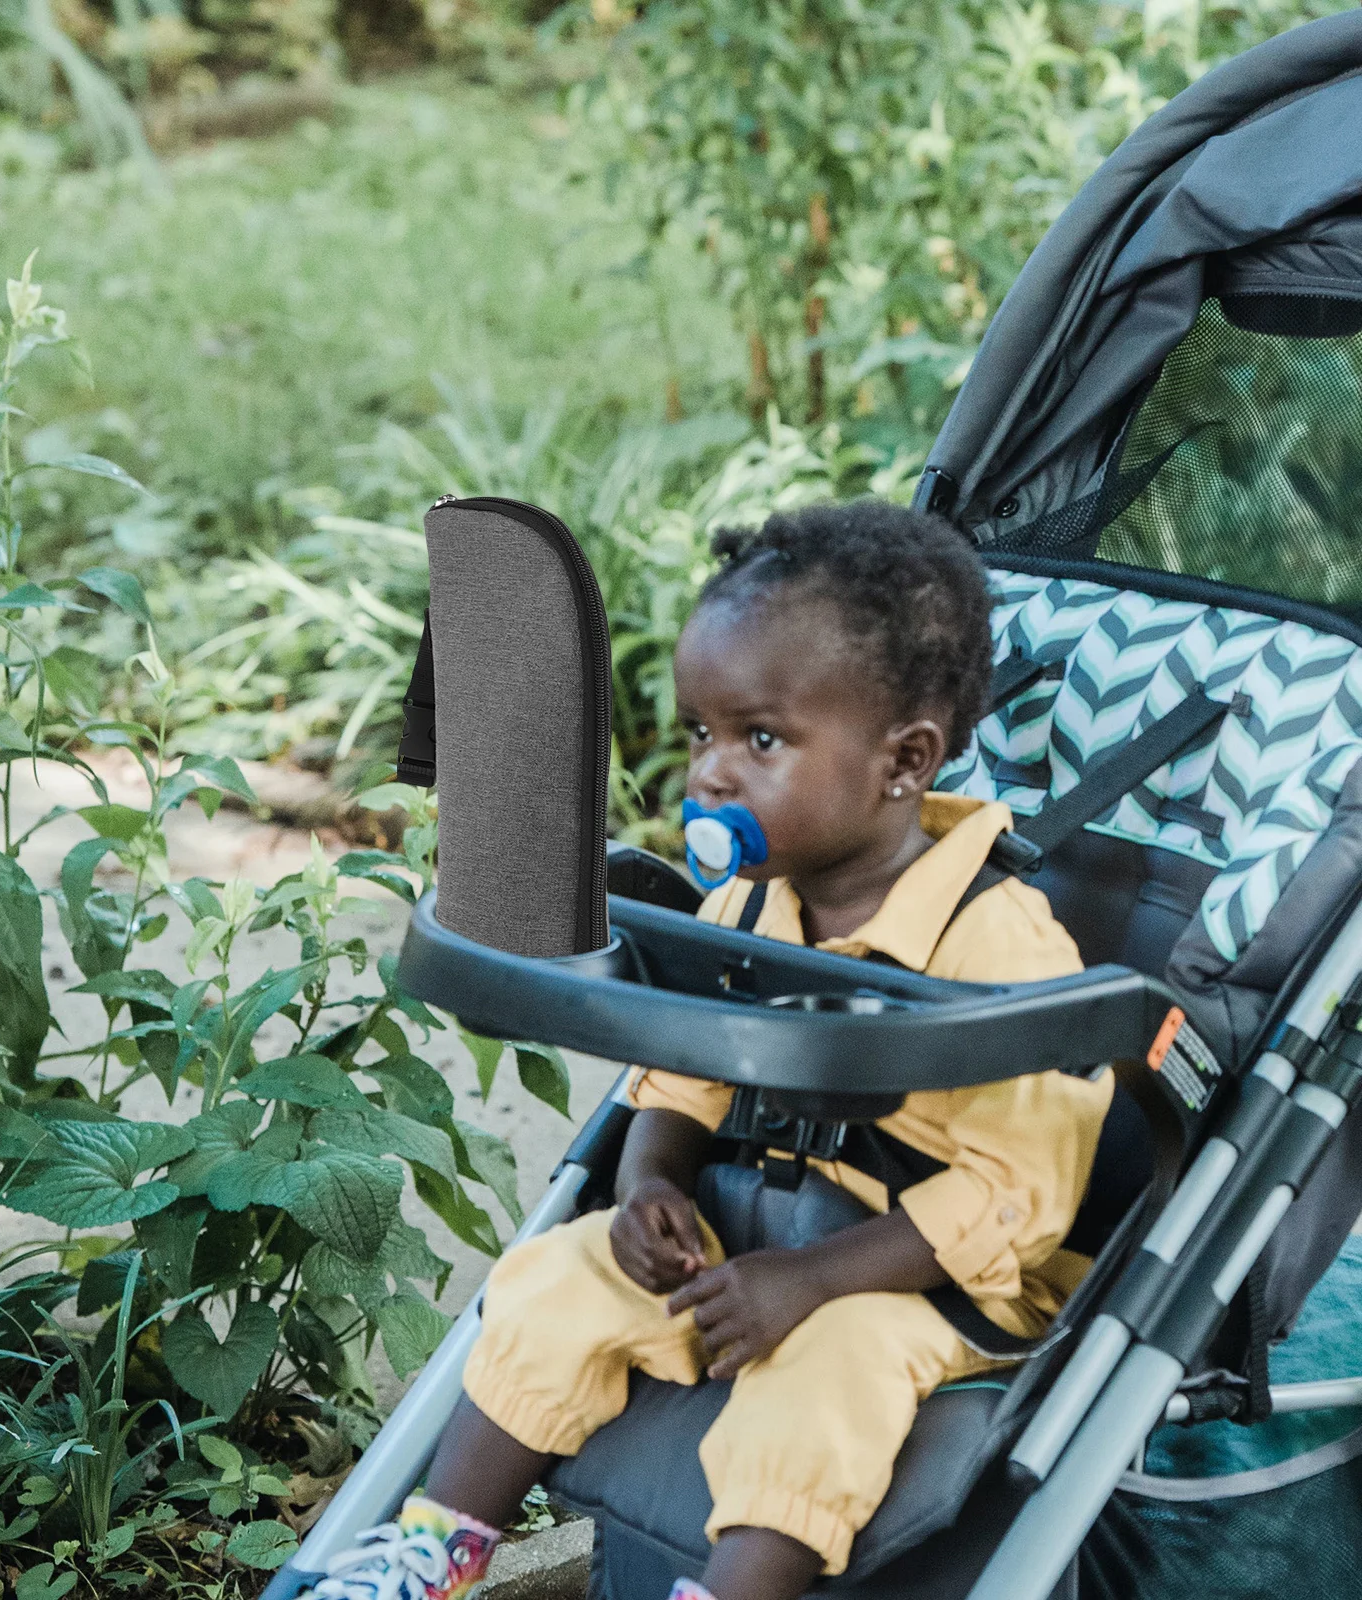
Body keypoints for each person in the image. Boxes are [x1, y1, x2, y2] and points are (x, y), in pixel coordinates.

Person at [311, 501, 1109, 1600]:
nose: (711, 775)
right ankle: (433, 1548)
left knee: (828, 1369)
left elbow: (1015, 1199)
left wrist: (811, 1277)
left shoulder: (999, 944)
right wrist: (649, 1181)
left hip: (924, 1280)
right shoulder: (745, 899)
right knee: (557, 1273)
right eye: (701, 733)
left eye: (760, 739)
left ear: (902, 760)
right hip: (749, 1221)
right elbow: (682, 1072)